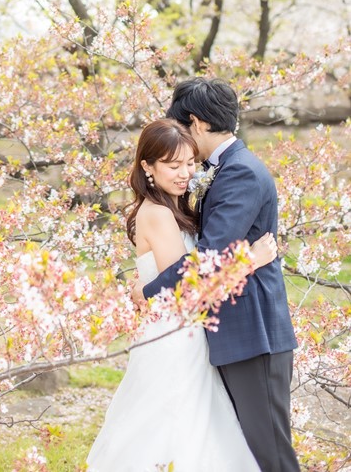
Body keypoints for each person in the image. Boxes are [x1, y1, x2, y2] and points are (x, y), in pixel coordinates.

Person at [87, 118, 277, 472]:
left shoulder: (172, 208)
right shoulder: (157, 213)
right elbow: (189, 289)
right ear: (147, 166)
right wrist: (249, 261)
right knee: (176, 430)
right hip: (175, 340)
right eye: (173, 166)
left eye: (190, 163)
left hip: (185, 334)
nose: (184, 174)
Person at [142, 78, 299, 472]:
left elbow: (211, 256)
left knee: (271, 454)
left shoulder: (239, 173)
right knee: (245, 451)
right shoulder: (224, 168)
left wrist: (149, 291)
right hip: (233, 333)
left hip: (252, 335)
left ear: (195, 122)